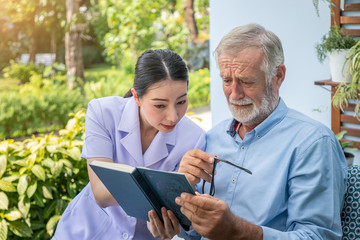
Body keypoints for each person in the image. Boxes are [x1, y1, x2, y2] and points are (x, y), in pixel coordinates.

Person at [147, 23, 347, 240]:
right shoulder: (212, 137)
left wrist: (237, 232)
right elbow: (195, 233)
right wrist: (178, 217)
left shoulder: (313, 143)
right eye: (226, 80)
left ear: (278, 76)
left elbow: (318, 236)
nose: (234, 94)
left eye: (246, 81)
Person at [53, 49, 206, 240]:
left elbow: (182, 217)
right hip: (86, 231)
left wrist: (171, 225)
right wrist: (169, 185)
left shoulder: (194, 137)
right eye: (160, 105)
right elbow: (101, 192)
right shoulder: (103, 113)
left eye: (181, 101)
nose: (173, 116)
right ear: (136, 96)